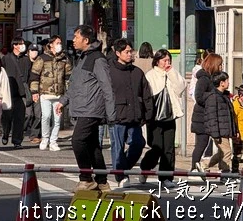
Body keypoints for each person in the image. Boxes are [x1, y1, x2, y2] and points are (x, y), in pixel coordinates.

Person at [56, 26, 115, 192]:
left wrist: (111, 115)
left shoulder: (97, 59)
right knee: (92, 145)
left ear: (86, 40)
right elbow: (76, 85)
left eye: (76, 37)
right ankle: (102, 181)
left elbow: (107, 87)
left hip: (91, 109)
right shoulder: (83, 58)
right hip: (82, 107)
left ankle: (86, 178)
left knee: (77, 140)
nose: (73, 40)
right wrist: (63, 101)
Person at [107, 38, 151, 188]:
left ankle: (123, 167)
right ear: (117, 53)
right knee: (117, 147)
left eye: (131, 51)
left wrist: (147, 113)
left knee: (138, 143)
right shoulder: (109, 71)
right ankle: (120, 176)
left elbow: (146, 94)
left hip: (134, 115)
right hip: (117, 115)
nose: (130, 54)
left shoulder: (137, 72)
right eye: (126, 51)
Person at [140, 49, 186, 187]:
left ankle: (166, 178)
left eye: (169, 60)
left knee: (169, 148)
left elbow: (181, 87)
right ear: (157, 60)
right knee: (156, 147)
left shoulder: (172, 73)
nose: (167, 62)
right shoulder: (150, 75)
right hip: (154, 117)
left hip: (170, 115)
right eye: (164, 60)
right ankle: (145, 168)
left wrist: (171, 72)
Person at [30, 35, 71, 152]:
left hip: (59, 94)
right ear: (51, 44)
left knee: (57, 119)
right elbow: (34, 75)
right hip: (45, 93)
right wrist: (34, 91)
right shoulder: (42, 58)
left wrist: (68, 92)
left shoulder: (64, 59)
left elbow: (69, 76)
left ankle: (53, 141)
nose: (60, 45)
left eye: (60, 43)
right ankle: (45, 139)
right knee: (46, 117)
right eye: (57, 43)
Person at [190, 53, 223, 172]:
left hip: (209, 116)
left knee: (206, 144)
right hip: (202, 117)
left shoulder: (212, 79)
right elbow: (199, 96)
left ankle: (200, 166)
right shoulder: (204, 79)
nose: (221, 68)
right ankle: (194, 168)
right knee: (201, 144)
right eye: (219, 65)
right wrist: (213, 95)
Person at [1, 37, 31, 148]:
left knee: (20, 118)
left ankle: (17, 140)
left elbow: (30, 76)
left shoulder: (26, 60)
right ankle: (5, 133)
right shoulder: (6, 58)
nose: (23, 46)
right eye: (21, 44)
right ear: (15, 45)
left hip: (21, 93)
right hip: (8, 92)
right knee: (6, 117)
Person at [204, 72, 237, 173]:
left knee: (222, 152)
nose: (229, 83)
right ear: (222, 83)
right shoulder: (213, 97)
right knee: (227, 152)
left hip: (224, 129)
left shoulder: (224, 96)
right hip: (219, 130)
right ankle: (225, 171)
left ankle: (204, 165)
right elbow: (212, 117)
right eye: (227, 81)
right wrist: (215, 133)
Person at [25, 43, 42, 143]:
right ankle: (21, 130)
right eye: (32, 50)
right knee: (28, 114)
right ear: (28, 52)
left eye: (35, 50)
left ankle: (34, 134)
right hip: (26, 91)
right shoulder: (25, 62)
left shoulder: (40, 62)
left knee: (38, 114)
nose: (34, 52)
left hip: (38, 91)